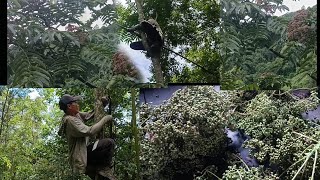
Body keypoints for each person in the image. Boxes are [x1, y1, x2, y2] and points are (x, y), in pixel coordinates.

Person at [58, 94, 117, 180]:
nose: (78, 104)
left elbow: (89, 115)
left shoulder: (76, 114)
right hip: (81, 157)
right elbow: (90, 131)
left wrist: (102, 105)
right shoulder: (70, 120)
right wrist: (105, 119)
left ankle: (97, 168)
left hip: (85, 152)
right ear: (69, 106)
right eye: (75, 103)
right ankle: (102, 168)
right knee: (108, 143)